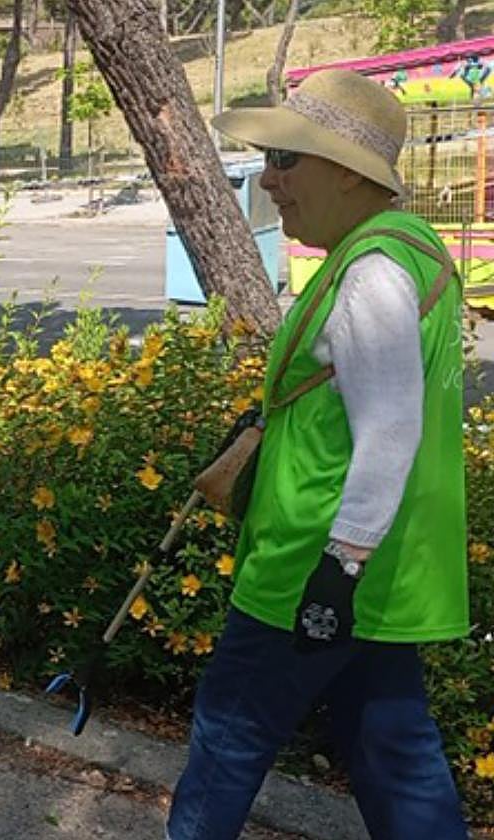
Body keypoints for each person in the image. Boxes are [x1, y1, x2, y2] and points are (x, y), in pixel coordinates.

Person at [166, 69, 470, 839]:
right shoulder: (412, 251)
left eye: (285, 160)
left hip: (313, 567)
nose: (268, 180)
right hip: (381, 574)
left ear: (348, 172)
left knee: (228, 736)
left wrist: (338, 570)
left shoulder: (371, 274)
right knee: (392, 752)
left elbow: (389, 430)